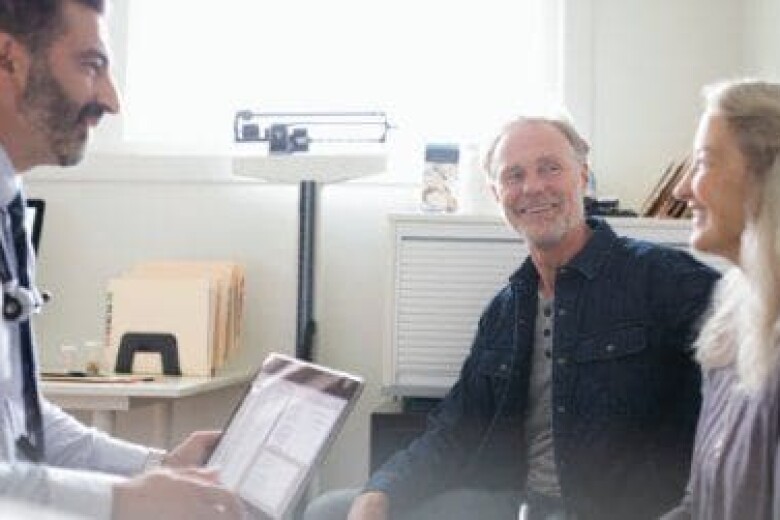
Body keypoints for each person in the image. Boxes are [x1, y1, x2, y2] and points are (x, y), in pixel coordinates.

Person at [305, 115, 720, 520]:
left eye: (550, 168)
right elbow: (454, 432)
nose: (533, 187)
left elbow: (746, 389)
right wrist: (382, 489)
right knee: (331, 510)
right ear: (496, 192)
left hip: (616, 509)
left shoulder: (666, 280)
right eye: (514, 175)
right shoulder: (505, 311)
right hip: (516, 504)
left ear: (582, 177)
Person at [0, 1, 243, 518]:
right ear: (8, 58)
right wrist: (124, 502)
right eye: (91, 65)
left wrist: (156, 469)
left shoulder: (9, 204)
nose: (110, 99)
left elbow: (22, 426)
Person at [661, 79, 780, 519]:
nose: (682, 191)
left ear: (769, 180)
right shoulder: (732, 318)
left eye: (704, 164)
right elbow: (698, 506)